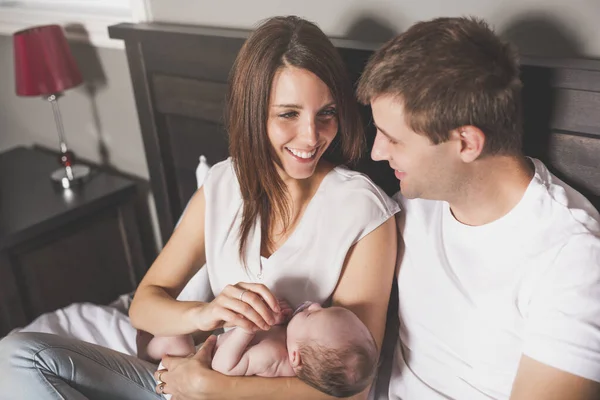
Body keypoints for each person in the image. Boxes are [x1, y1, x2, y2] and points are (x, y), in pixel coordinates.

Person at [0, 15, 398, 400]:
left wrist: (216, 389)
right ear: (254, 113)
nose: (312, 136)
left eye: (326, 113)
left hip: (233, 390)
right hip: (187, 382)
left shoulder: (363, 212)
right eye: (289, 114)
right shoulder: (224, 185)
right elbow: (144, 306)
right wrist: (206, 314)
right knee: (16, 357)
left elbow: (353, 390)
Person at [356, 16, 600, 400]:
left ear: (466, 143)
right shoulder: (413, 205)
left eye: (394, 140)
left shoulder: (574, 257)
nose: (376, 152)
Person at [151, 301, 378, 398]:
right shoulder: (291, 345)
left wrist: (246, 329)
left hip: (183, 384)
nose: (315, 305)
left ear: (295, 357)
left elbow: (223, 367)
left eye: (311, 314)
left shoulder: (271, 356)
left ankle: (146, 349)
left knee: (175, 336)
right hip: (194, 370)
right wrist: (278, 319)